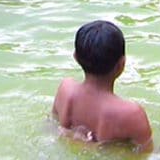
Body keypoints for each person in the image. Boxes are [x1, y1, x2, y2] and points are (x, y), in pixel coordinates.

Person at [52, 20, 153, 152]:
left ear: (75, 57)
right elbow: (147, 154)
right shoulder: (132, 114)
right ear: (121, 64)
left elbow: (53, 125)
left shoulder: (65, 89)